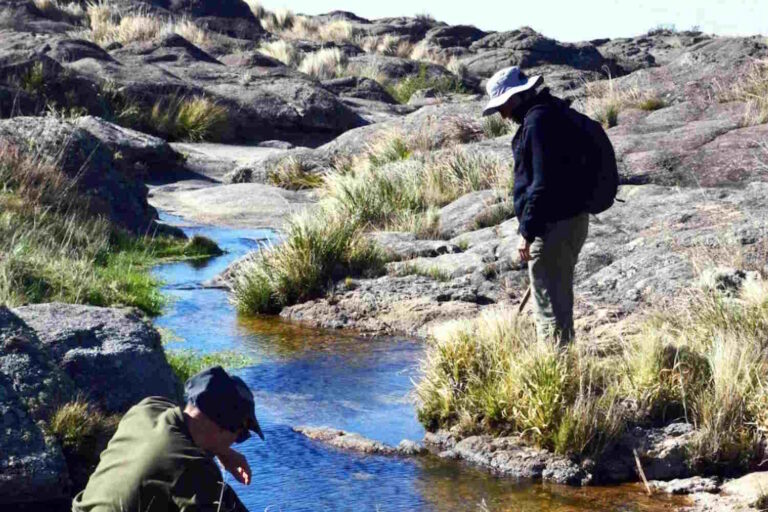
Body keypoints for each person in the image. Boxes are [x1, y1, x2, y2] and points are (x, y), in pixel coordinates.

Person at [482, 66, 591, 344]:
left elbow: (542, 184)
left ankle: (557, 379)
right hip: (572, 220)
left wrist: (527, 232)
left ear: (515, 97)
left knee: (549, 313)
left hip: (552, 227)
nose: (502, 115)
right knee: (558, 303)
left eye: (502, 106)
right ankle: (566, 370)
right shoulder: (553, 112)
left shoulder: (537, 123)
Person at [72, 366, 264, 512]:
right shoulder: (194, 468)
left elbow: (191, 425)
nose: (236, 441)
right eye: (240, 435)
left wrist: (223, 451)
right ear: (222, 427)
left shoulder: (147, 408)